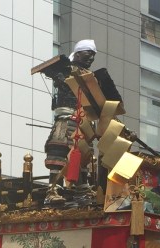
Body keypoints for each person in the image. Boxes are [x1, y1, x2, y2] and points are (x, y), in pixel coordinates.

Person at [42, 39, 97, 204]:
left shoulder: (89, 76)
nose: (91, 59)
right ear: (78, 53)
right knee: (58, 148)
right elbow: (52, 71)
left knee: (83, 155)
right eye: (88, 55)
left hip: (83, 120)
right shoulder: (67, 69)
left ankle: (81, 188)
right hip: (66, 118)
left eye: (93, 56)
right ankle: (53, 189)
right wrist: (61, 77)